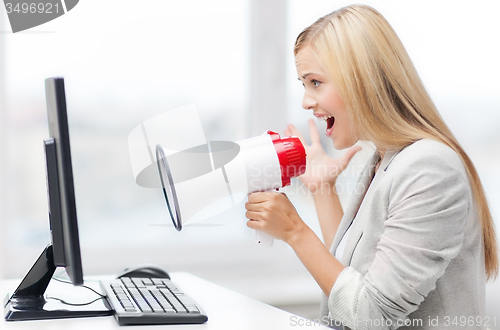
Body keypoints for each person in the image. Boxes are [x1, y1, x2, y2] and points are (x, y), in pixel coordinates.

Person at [245, 4, 498, 330]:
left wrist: (295, 231)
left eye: (315, 82)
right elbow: (352, 275)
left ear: (360, 79)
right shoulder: (384, 159)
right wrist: (322, 189)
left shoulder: (431, 169)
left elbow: (371, 315)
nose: (306, 101)